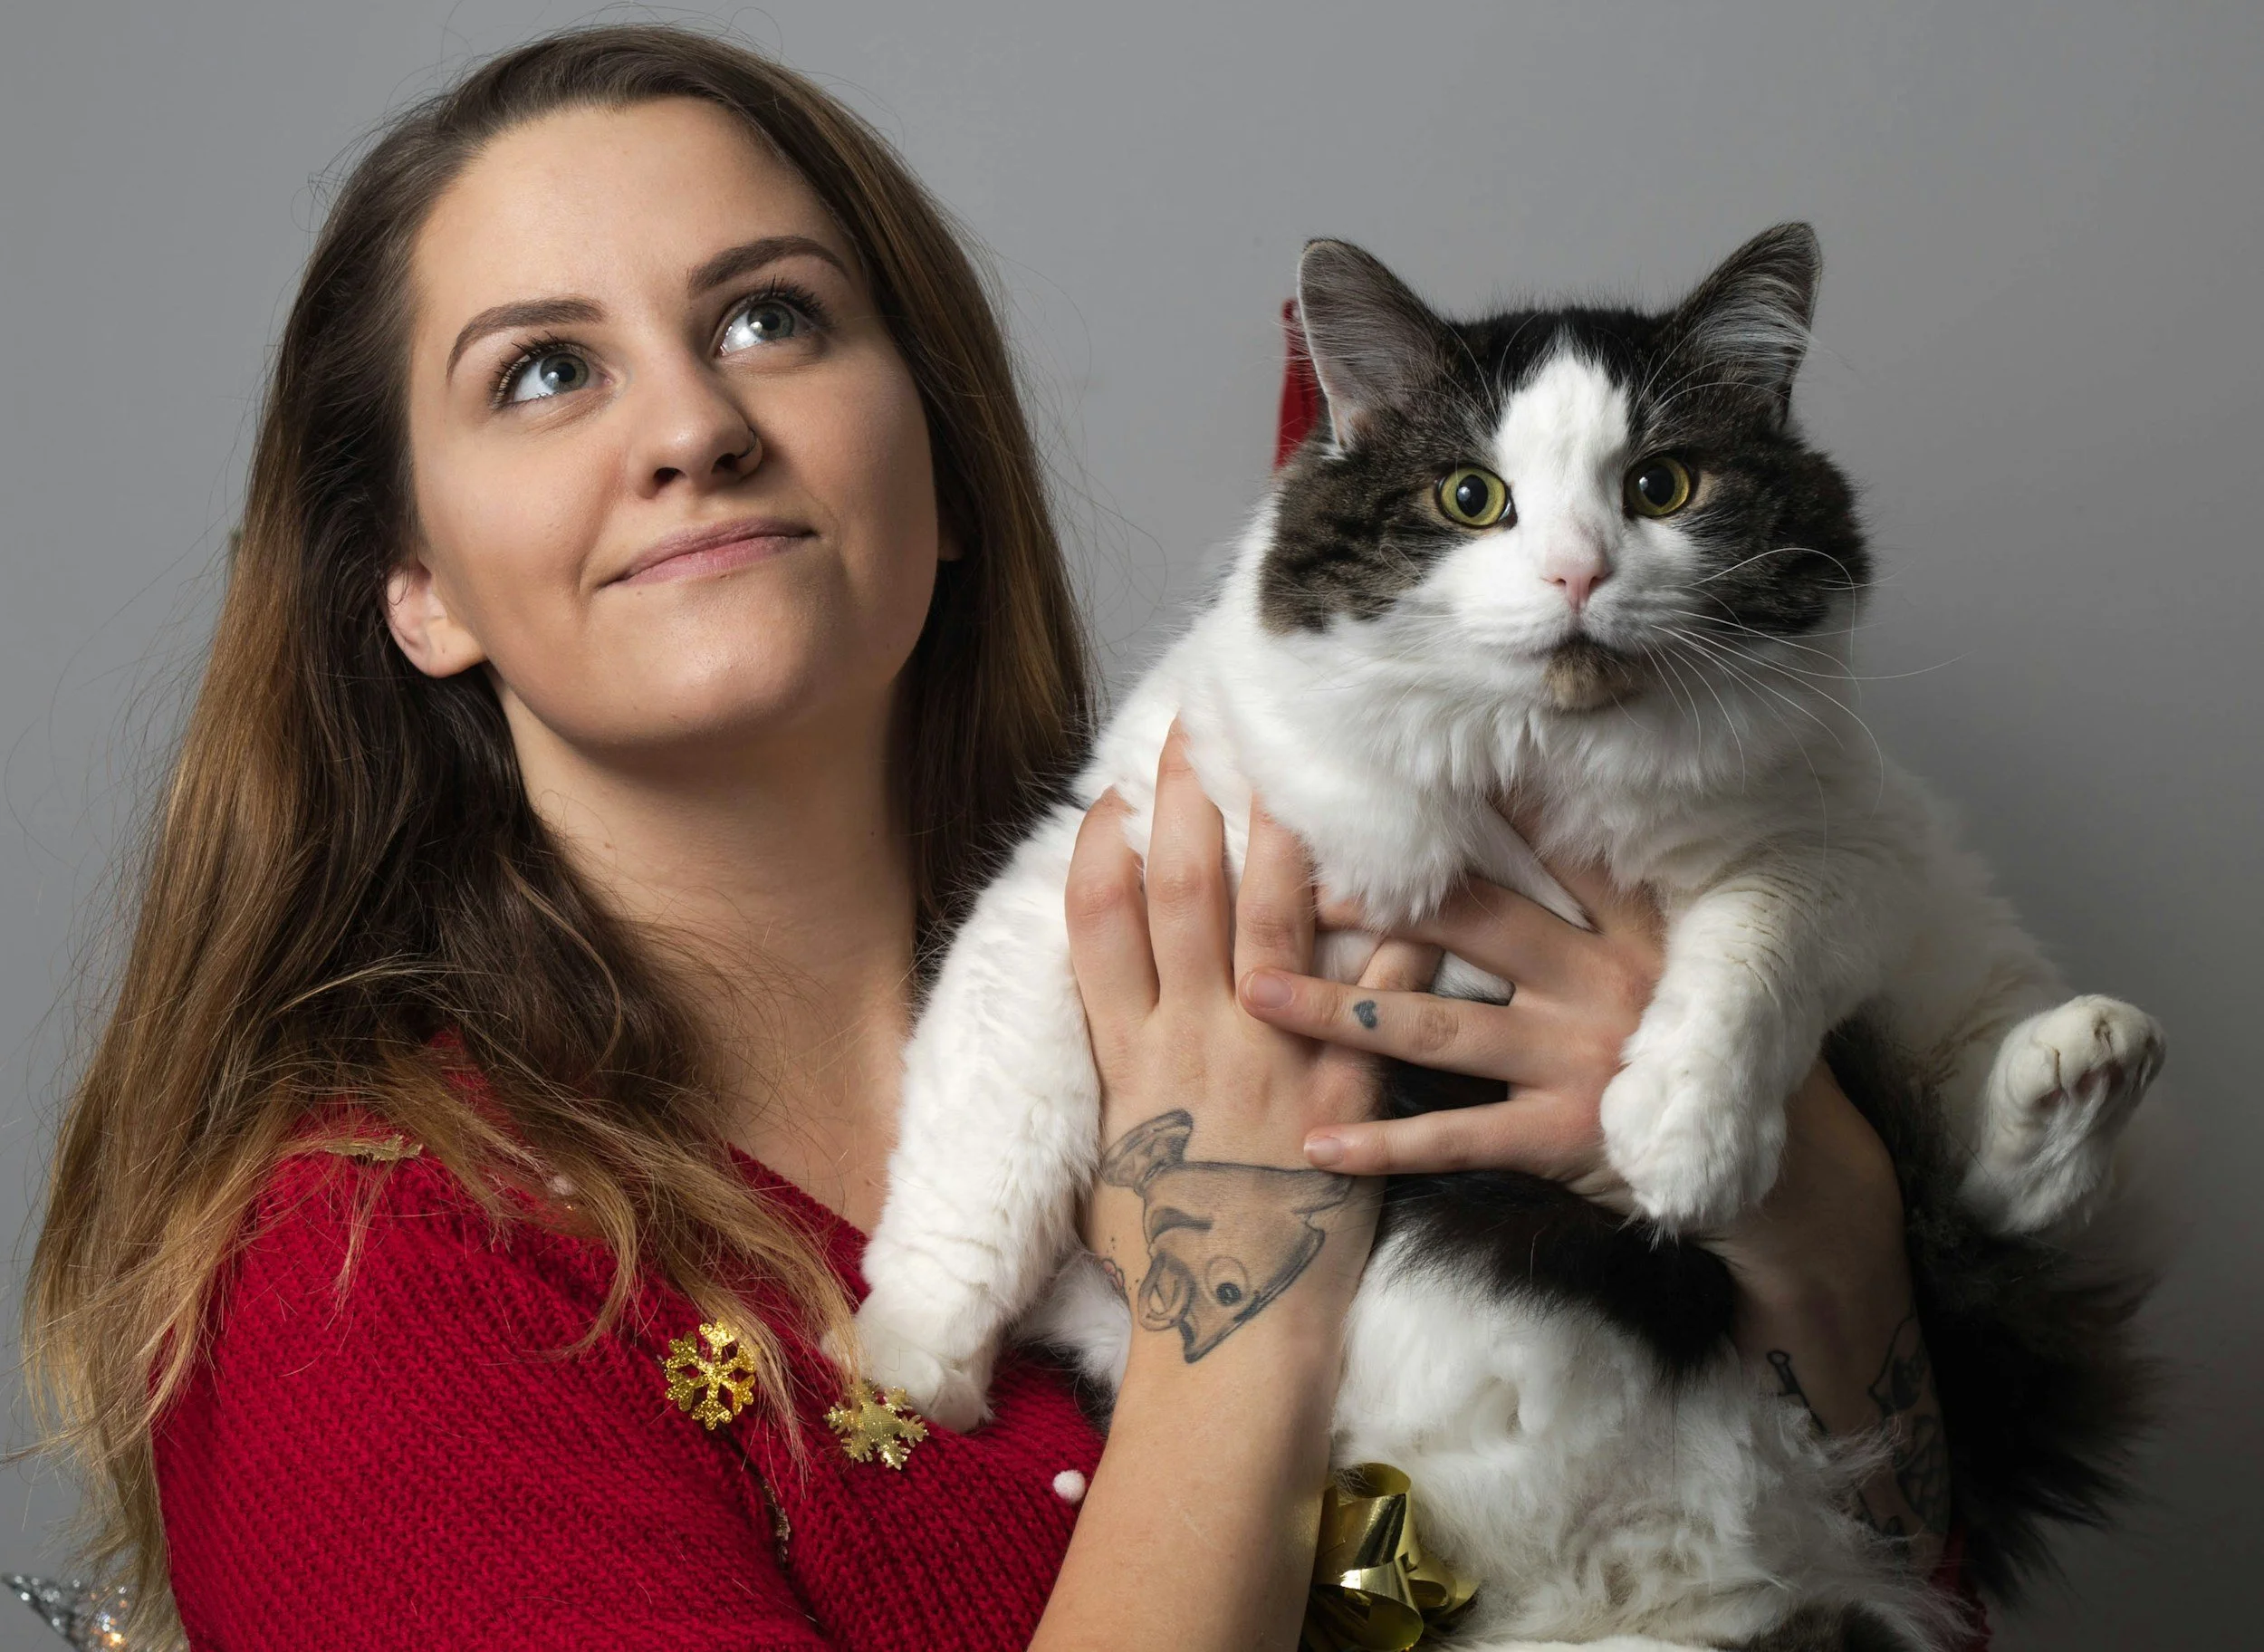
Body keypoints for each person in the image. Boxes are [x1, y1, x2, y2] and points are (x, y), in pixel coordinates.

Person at [23, 24, 1955, 1651]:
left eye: (771, 317)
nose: (693, 424)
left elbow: (1888, 1593)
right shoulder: (379, 1272)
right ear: (415, 583)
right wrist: (1236, 1322)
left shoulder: (1380, 936)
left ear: (936, 472)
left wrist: (1821, 1219)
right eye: (545, 369)